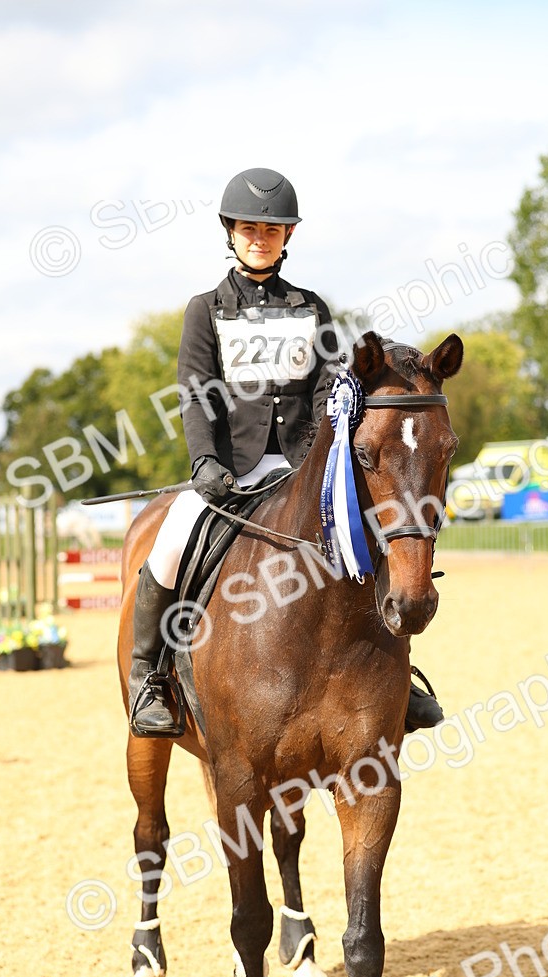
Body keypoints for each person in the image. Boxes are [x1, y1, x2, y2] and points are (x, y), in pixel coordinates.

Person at [128, 167, 444, 737]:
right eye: (249, 227)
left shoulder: (311, 307)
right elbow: (197, 393)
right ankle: (150, 678)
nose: (259, 237)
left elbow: (328, 389)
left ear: (288, 236)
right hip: (228, 471)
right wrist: (205, 464)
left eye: (271, 230)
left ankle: (396, 670)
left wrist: (325, 459)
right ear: (230, 231)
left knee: (366, 536)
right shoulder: (206, 309)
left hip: (303, 468)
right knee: (171, 543)